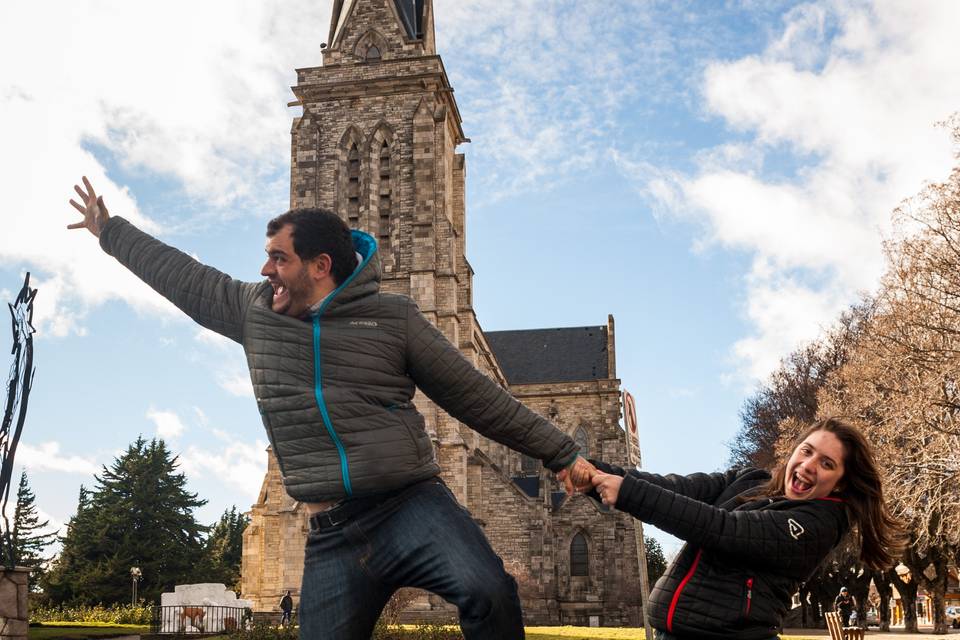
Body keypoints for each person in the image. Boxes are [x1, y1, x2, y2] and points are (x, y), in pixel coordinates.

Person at [67, 177, 597, 640]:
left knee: (490, 590)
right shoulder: (254, 312)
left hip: (411, 504)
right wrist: (110, 231)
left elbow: (473, 395)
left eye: (279, 257)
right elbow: (184, 276)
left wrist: (561, 453)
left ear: (319, 266)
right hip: (330, 530)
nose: (265, 267)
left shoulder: (394, 318)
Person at [588, 417, 903, 640]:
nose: (809, 465)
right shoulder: (750, 481)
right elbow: (675, 488)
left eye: (827, 464)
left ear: (841, 483)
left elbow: (721, 529)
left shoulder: (816, 525)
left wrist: (627, 493)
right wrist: (590, 473)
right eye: (807, 451)